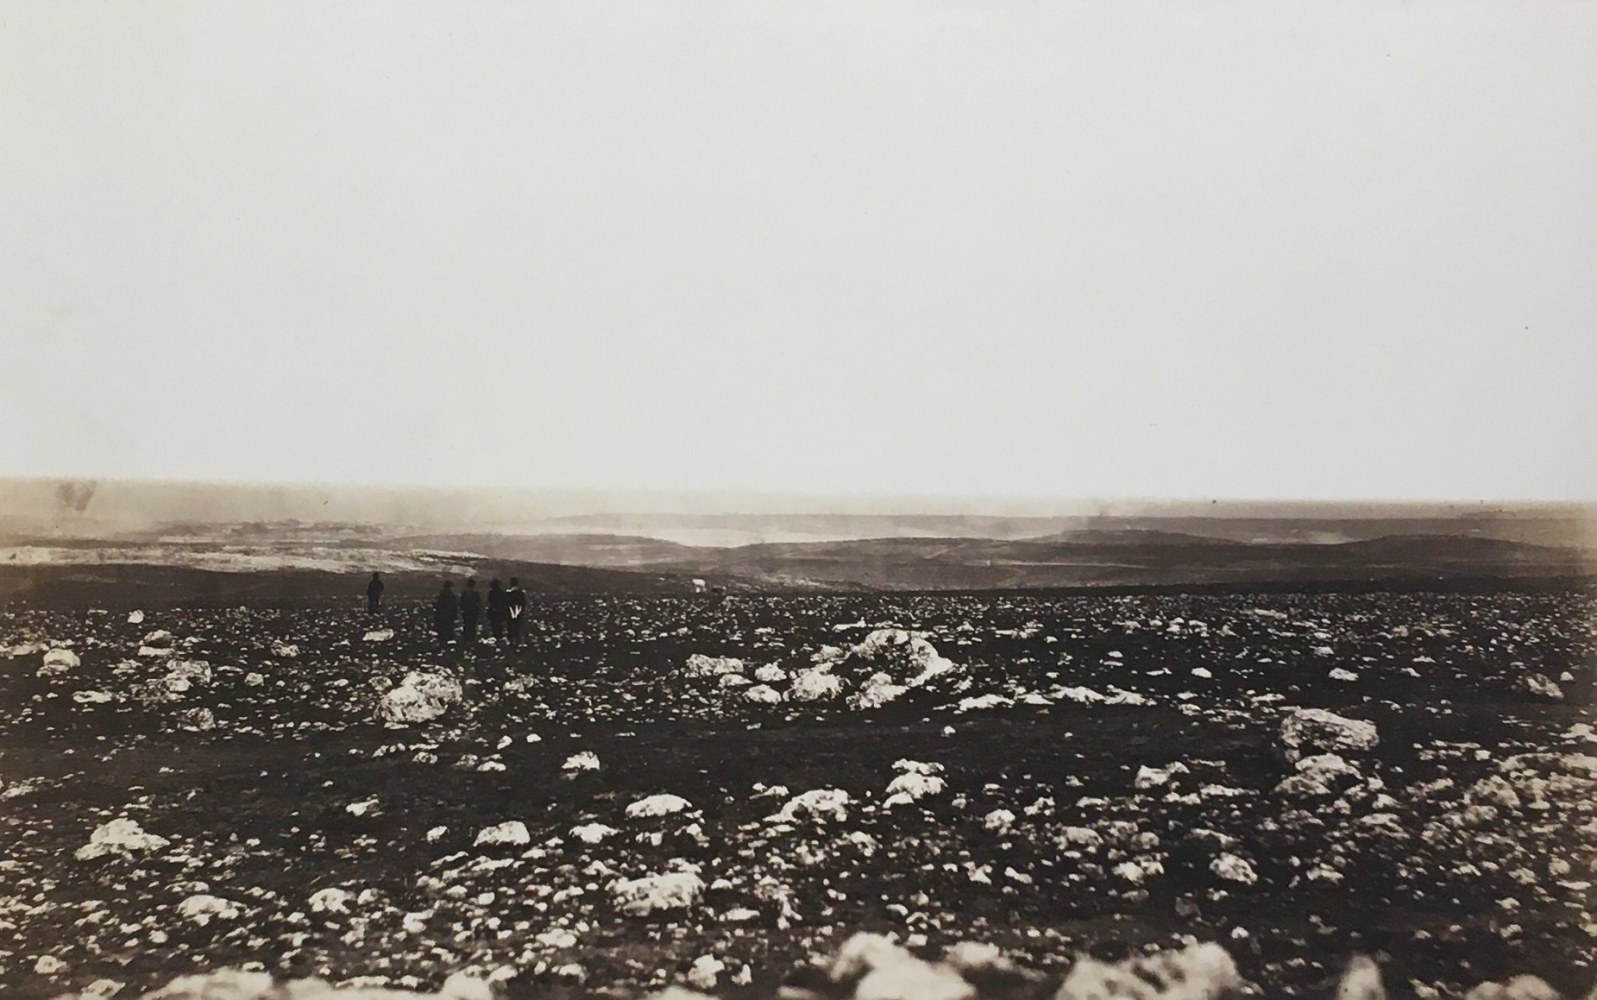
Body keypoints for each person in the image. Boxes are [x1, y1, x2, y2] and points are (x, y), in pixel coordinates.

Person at [433, 581, 458, 646]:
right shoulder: (451, 595)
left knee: (442, 630)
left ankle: (442, 642)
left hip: (442, 615)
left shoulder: (442, 595)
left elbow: (438, 605)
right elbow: (454, 605)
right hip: (448, 615)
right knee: (448, 629)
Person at [505, 577, 527, 648]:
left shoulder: (508, 593)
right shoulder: (521, 593)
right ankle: (517, 640)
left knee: (510, 626)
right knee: (517, 626)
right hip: (518, 611)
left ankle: (511, 640)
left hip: (510, 611)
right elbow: (523, 603)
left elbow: (506, 604)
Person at [486, 578, 508, 643]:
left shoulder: (491, 593)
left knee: (494, 625)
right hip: (500, 611)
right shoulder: (502, 593)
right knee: (499, 625)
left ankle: (496, 636)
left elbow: (490, 602)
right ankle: (499, 636)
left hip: (494, 611)